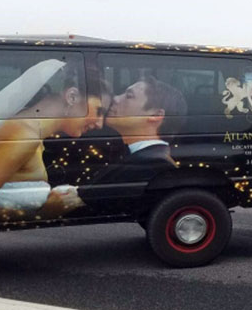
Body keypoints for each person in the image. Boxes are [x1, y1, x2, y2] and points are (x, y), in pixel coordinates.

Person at [0, 62, 110, 216]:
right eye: (99, 111)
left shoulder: (31, 133)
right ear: (72, 96)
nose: (100, 124)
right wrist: (45, 213)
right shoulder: (24, 137)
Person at [61, 77, 188, 212]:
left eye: (129, 96)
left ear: (156, 115)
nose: (115, 98)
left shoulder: (153, 164)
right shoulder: (137, 155)